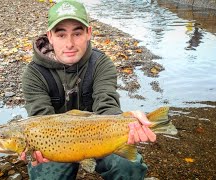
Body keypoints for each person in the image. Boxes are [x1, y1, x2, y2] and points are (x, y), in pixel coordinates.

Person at [21, 0, 156, 179]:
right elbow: (40, 120)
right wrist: (33, 150)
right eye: (61, 35)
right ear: (50, 36)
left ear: (88, 33)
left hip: (101, 138)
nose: (69, 43)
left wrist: (128, 122)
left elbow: (107, 106)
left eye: (77, 33)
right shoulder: (34, 74)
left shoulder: (101, 64)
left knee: (129, 168)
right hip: (56, 145)